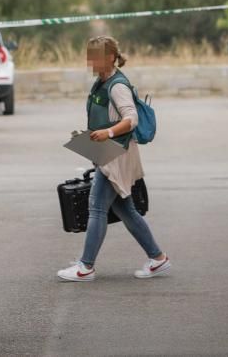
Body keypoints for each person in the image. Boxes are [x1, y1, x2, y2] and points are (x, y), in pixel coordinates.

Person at [57, 36, 171, 282]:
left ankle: (85, 267)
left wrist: (108, 133)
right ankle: (158, 258)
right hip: (108, 151)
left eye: (95, 56)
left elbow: (131, 118)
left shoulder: (117, 85)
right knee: (126, 210)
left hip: (115, 153)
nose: (91, 61)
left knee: (96, 207)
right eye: (89, 56)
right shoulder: (102, 82)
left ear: (110, 57)